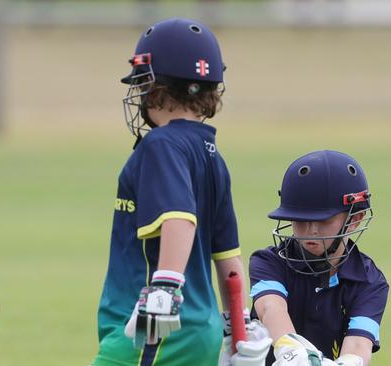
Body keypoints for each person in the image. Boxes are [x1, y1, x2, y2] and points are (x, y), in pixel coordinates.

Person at [91, 18, 269, 366]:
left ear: (157, 87)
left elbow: (178, 220)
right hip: (199, 330)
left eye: (143, 83)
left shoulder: (161, 145)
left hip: (155, 330)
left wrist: (164, 292)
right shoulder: (211, 153)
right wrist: (238, 324)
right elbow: (229, 260)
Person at [249, 150, 390, 366]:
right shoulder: (268, 262)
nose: (311, 231)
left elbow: (359, 345)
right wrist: (291, 350)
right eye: (300, 220)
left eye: (324, 221)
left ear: (355, 219)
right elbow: (271, 308)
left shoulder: (370, 282)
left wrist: (349, 362)